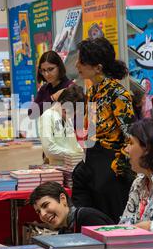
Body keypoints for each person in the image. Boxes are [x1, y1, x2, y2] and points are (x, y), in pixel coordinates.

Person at [73, 37, 135, 223]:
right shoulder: (93, 91)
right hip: (93, 157)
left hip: (112, 164)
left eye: (82, 61)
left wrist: (117, 168)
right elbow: (91, 129)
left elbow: (131, 137)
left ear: (98, 68)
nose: (77, 65)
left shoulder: (118, 94)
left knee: (112, 219)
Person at [29, 182, 114, 234]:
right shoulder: (63, 231)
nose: (43, 214)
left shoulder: (87, 218)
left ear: (63, 199)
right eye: (38, 212)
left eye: (45, 205)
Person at [39, 85, 84, 165]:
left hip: (72, 165)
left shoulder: (67, 118)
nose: (71, 115)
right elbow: (49, 149)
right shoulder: (48, 115)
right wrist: (74, 155)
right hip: (57, 168)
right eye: (67, 112)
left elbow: (73, 145)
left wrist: (82, 153)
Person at [28, 50, 74, 118]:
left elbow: (76, 120)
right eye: (43, 70)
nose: (46, 74)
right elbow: (31, 114)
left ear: (59, 67)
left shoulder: (70, 87)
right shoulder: (44, 89)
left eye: (50, 69)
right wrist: (53, 98)